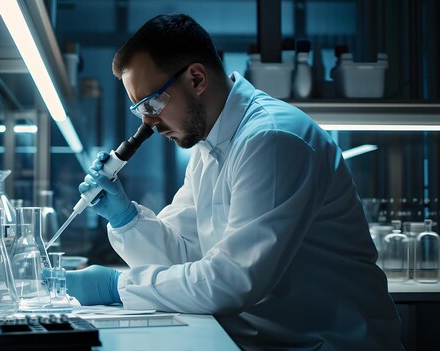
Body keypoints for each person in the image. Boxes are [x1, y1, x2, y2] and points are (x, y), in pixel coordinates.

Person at [67, 13, 402, 350]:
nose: (149, 122)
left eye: (152, 103)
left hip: (327, 343)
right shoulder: (208, 146)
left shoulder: (272, 138)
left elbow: (232, 281)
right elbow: (183, 257)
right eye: (140, 110)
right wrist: (126, 219)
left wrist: (117, 285)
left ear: (196, 78)